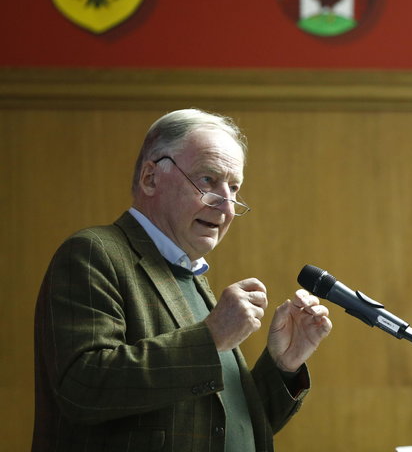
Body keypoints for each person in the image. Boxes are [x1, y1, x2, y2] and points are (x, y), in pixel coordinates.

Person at [33, 108, 332, 451]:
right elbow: (82, 388)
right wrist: (210, 337)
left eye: (234, 187)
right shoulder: (93, 253)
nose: (227, 205)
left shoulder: (189, 276)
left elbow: (224, 424)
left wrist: (282, 364)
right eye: (207, 179)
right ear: (150, 178)